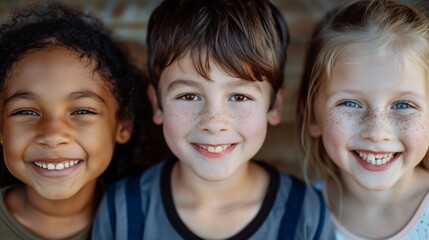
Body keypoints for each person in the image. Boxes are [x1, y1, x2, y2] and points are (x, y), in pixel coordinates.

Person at [92, 0, 335, 239]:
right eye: (188, 95)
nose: (213, 122)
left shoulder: (305, 214)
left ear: (274, 105)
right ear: (157, 104)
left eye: (239, 96)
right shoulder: (122, 211)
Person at [0, 2, 148, 239]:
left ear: (123, 123)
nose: (53, 135)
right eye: (26, 112)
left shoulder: (148, 225)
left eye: (82, 111)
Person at [297, 0, 429, 239]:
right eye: (350, 103)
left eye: (403, 105)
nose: (377, 132)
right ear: (312, 117)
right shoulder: (297, 215)